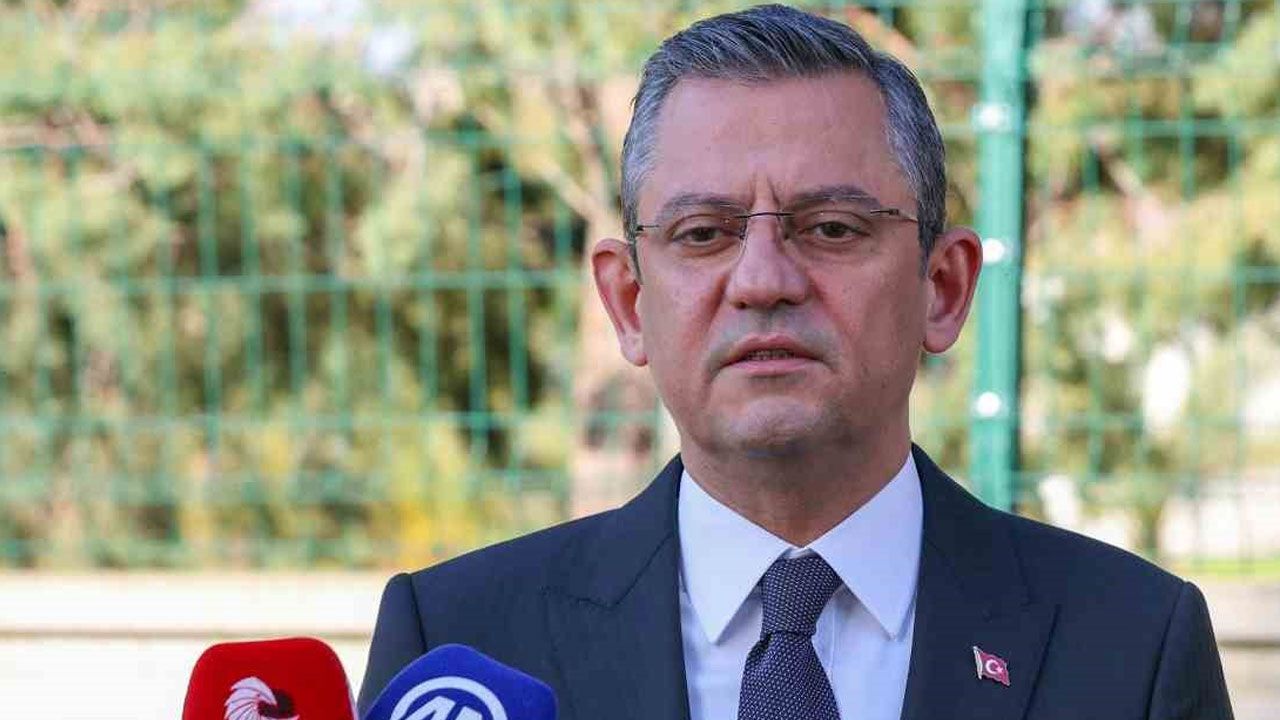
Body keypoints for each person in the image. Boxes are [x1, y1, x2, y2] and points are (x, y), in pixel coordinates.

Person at [358, 5, 1234, 719]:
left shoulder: (1132, 648)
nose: (763, 281)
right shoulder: (461, 648)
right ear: (628, 302)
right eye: (703, 233)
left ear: (943, 287)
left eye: (832, 229)